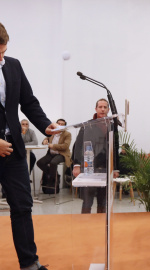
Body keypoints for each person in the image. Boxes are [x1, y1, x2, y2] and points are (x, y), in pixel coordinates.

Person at [0, 22, 59, 270]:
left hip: (13, 149)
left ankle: (29, 264)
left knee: (22, 206)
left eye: (2, 52)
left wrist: (46, 125)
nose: (0, 58)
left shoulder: (13, 65)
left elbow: (28, 101)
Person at [72, 98, 118, 213]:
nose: (102, 109)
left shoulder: (112, 126)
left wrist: (116, 168)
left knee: (102, 202)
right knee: (87, 201)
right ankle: (85, 225)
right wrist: (76, 165)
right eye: (100, 107)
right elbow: (77, 146)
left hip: (105, 167)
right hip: (89, 167)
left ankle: (99, 226)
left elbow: (115, 147)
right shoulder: (87, 125)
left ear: (108, 109)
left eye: (105, 107)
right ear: (96, 109)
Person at [37, 119, 71, 184]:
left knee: (53, 163)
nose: (60, 125)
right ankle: (55, 175)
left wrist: (53, 146)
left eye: (62, 124)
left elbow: (65, 146)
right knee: (40, 163)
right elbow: (47, 138)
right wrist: (44, 141)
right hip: (51, 154)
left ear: (65, 126)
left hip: (61, 154)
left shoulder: (67, 134)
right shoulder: (52, 132)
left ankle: (52, 180)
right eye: (58, 124)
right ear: (56, 124)